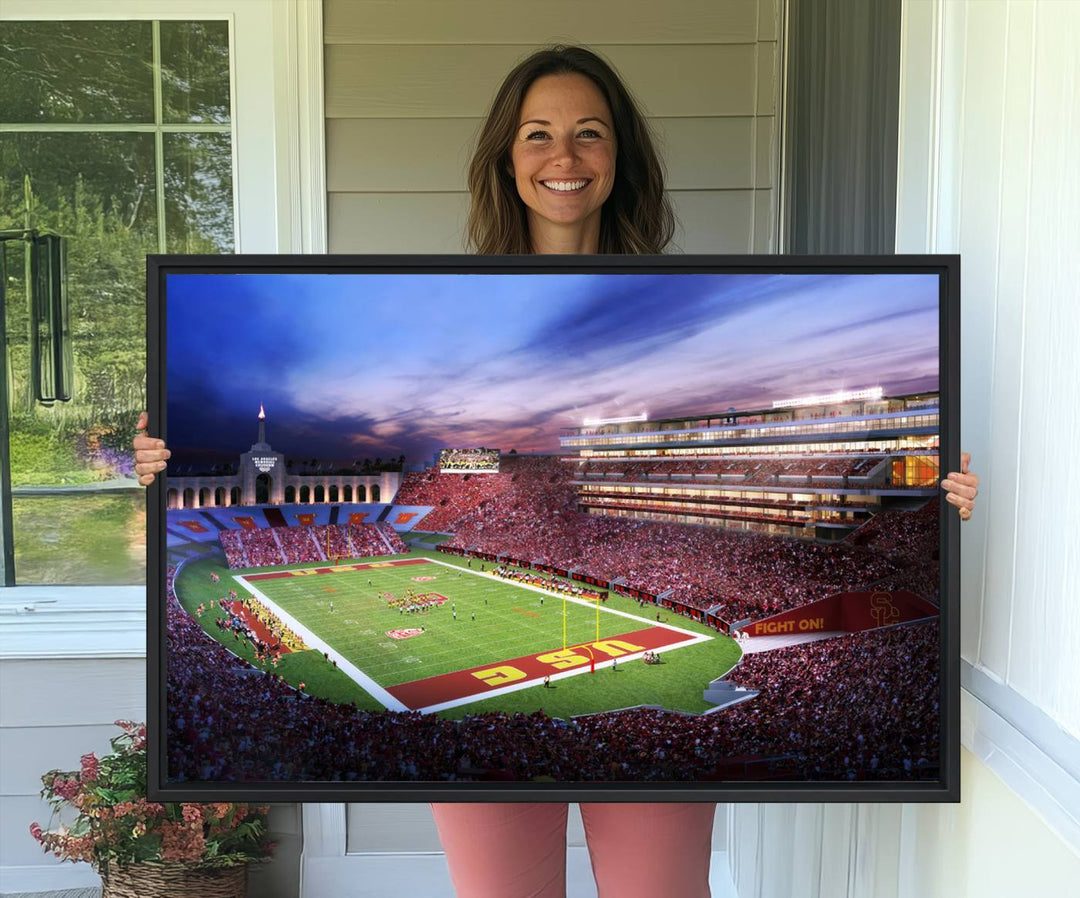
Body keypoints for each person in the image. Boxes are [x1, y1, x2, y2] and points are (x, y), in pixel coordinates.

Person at [133, 43, 980, 898]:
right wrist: (159, 463)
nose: (563, 157)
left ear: (620, 158)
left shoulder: (683, 310)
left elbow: (816, 456)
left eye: (589, 134)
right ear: (507, 157)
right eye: (537, 134)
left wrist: (930, 493)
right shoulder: (458, 306)